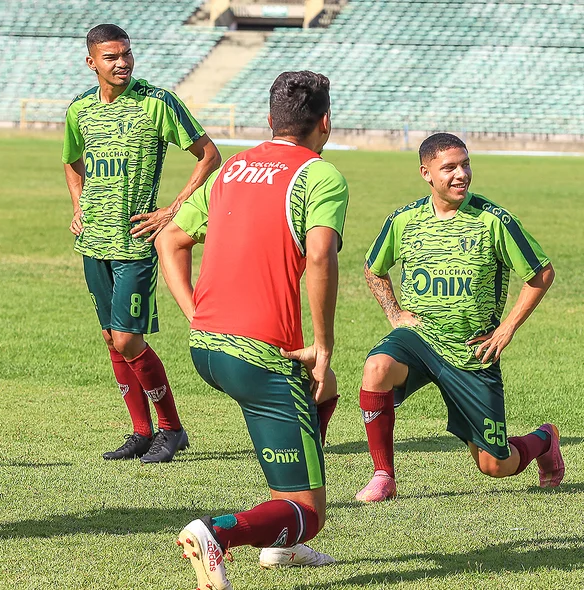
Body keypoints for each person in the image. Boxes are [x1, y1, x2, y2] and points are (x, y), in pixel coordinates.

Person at [155, 70, 348, 588]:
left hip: (208, 347)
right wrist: (324, 343)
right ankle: (218, 533)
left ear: (269, 120)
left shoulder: (233, 168)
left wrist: (197, 315)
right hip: (259, 354)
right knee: (311, 510)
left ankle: (281, 549)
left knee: (322, 389)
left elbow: (170, 239)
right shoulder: (318, 175)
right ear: (325, 122)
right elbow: (321, 257)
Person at [355, 133, 564, 503]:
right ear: (426, 173)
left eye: (465, 164)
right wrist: (395, 313)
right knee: (376, 368)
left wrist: (506, 329)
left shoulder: (493, 220)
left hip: (472, 353)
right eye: (449, 167)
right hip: (420, 340)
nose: (461, 174)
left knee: (495, 466)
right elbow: (374, 268)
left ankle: (545, 439)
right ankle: (383, 475)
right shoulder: (404, 220)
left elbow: (540, 274)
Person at [62, 24, 221, 463]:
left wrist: (173, 209)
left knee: (128, 339)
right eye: (111, 57)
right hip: (94, 242)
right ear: (91, 62)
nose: (122, 63)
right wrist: (78, 206)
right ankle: (140, 431)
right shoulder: (80, 110)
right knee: (111, 340)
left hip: (134, 243)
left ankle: (172, 429)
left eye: (127, 54)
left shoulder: (157, 103)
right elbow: (71, 161)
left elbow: (209, 154)